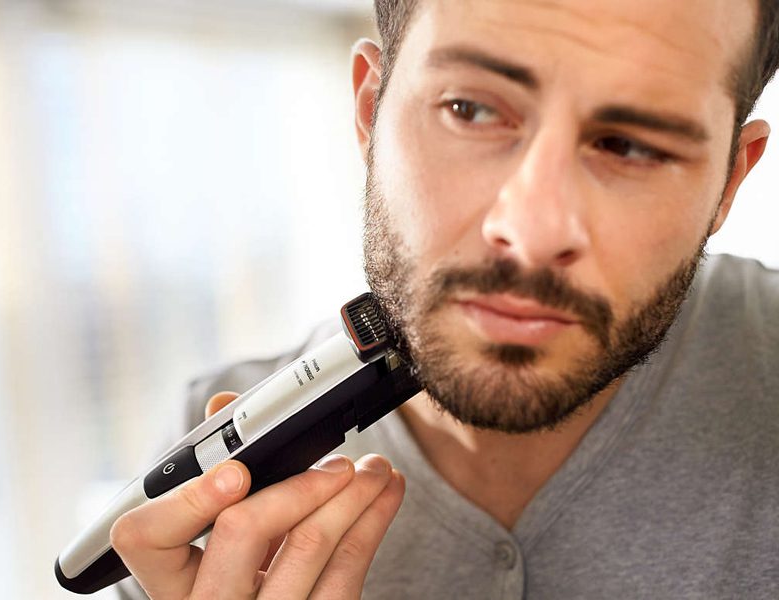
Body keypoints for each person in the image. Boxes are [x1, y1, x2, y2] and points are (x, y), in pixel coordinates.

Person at [113, 0, 779, 598]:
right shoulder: (195, 505)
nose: (531, 233)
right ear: (370, 111)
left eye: (631, 147)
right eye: (471, 110)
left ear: (729, 183)